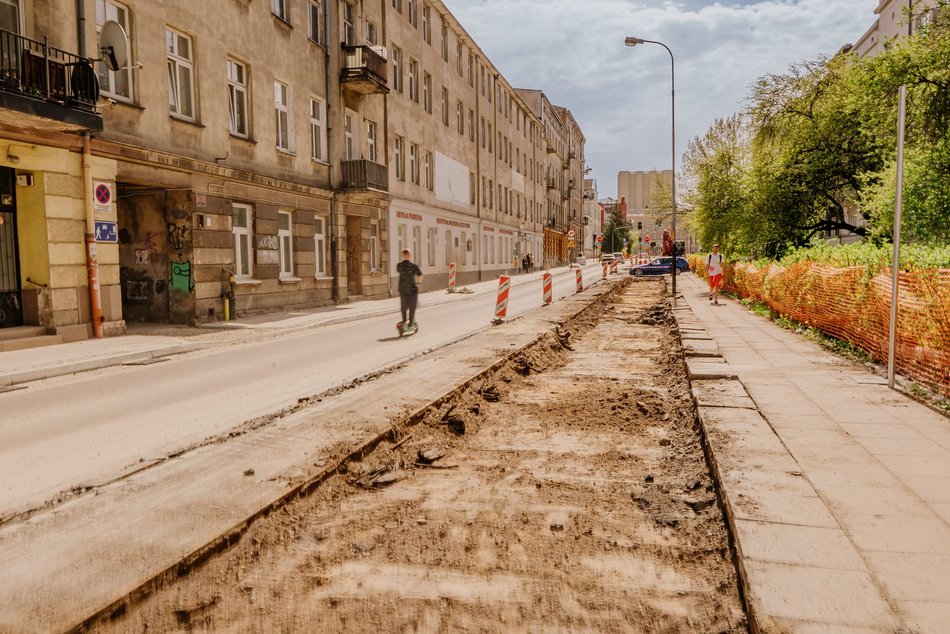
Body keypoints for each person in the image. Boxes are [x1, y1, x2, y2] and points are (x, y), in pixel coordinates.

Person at [397, 248, 423, 331]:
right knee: (412, 307)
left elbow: (399, 271)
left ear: (403, 255)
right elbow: (420, 276)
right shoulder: (413, 266)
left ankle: (404, 321)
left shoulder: (399, 265)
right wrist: (418, 283)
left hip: (402, 290)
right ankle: (411, 323)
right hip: (412, 290)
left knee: (403, 307)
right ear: (409, 255)